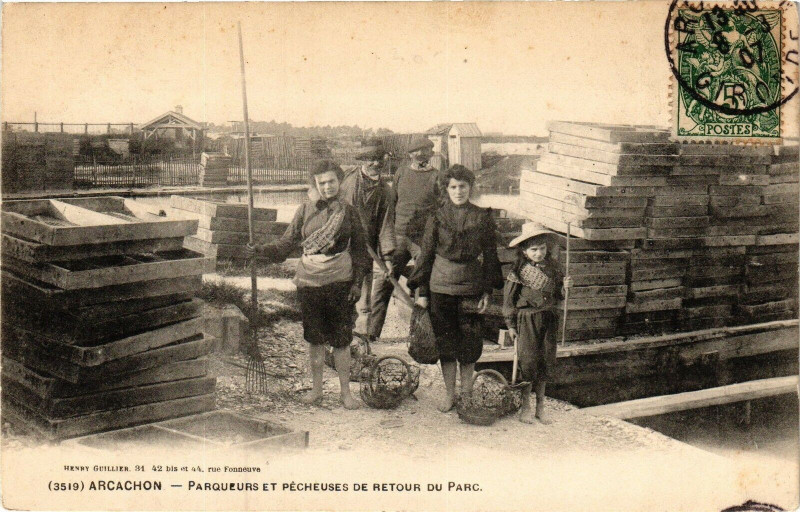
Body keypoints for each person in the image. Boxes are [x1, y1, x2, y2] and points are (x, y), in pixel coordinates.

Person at [245, 160, 370, 409]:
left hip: (340, 282)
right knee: (314, 338)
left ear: (339, 181)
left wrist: (357, 284)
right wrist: (259, 250)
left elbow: (360, 252)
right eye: (321, 183)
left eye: (331, 181)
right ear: (315, 184)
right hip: (310, 281)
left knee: (341, 339)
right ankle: (316, 390)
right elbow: (285, 245)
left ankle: (346, 393)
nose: (327, 187)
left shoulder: (351, 212)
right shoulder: (304, 211)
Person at [407, 164, 504, 412]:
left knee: (470, 345)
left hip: (471, 289)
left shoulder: (482, 218)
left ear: (470, 188)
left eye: (463, 186)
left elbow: (491, 255)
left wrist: (487, 291)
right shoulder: (436, 217)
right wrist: (423, 293)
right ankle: (450, 395)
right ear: (446, 189)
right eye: (453, 187)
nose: (458, 191)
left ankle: (467, 395)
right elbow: (426, 255)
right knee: (446, 345)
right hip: (440, 288)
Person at [369, 135, 440, 339]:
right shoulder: (401, 173)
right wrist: (387, 238)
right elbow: (393, 204)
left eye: (426, 151)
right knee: (384, 282)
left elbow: (442, 209)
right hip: (399, 236)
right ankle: (372, 333)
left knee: (423, 285)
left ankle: (420, 335)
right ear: (410, 155)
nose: (421, 155)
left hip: (423, 241)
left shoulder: (437, 177)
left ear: (431, 154)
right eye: (416, 152)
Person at [502, 223, 573, 424]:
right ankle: (526, 406)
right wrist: (511, 325)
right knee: (529, 362)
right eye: (533, 249)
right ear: (524, 251)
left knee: (546, 361)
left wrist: (565, 288)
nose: (539, 253)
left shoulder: (555, 268)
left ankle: (541, 406)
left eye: (542, 248)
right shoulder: (518, 271)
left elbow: (558, 295)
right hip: (527, 319)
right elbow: (509, 301)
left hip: (549, 318)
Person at [339, 142, 395, 343]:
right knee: (339, 294)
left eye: (379, 159)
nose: (375, 163)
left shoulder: (385, 192)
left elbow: (386, 226)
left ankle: (362, 343)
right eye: (371, 159)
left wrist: (387, 258)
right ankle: (338, 339)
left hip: (365, 253)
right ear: (363, 160)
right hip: (340, 247)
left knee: (364, 301)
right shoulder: (347, 180)